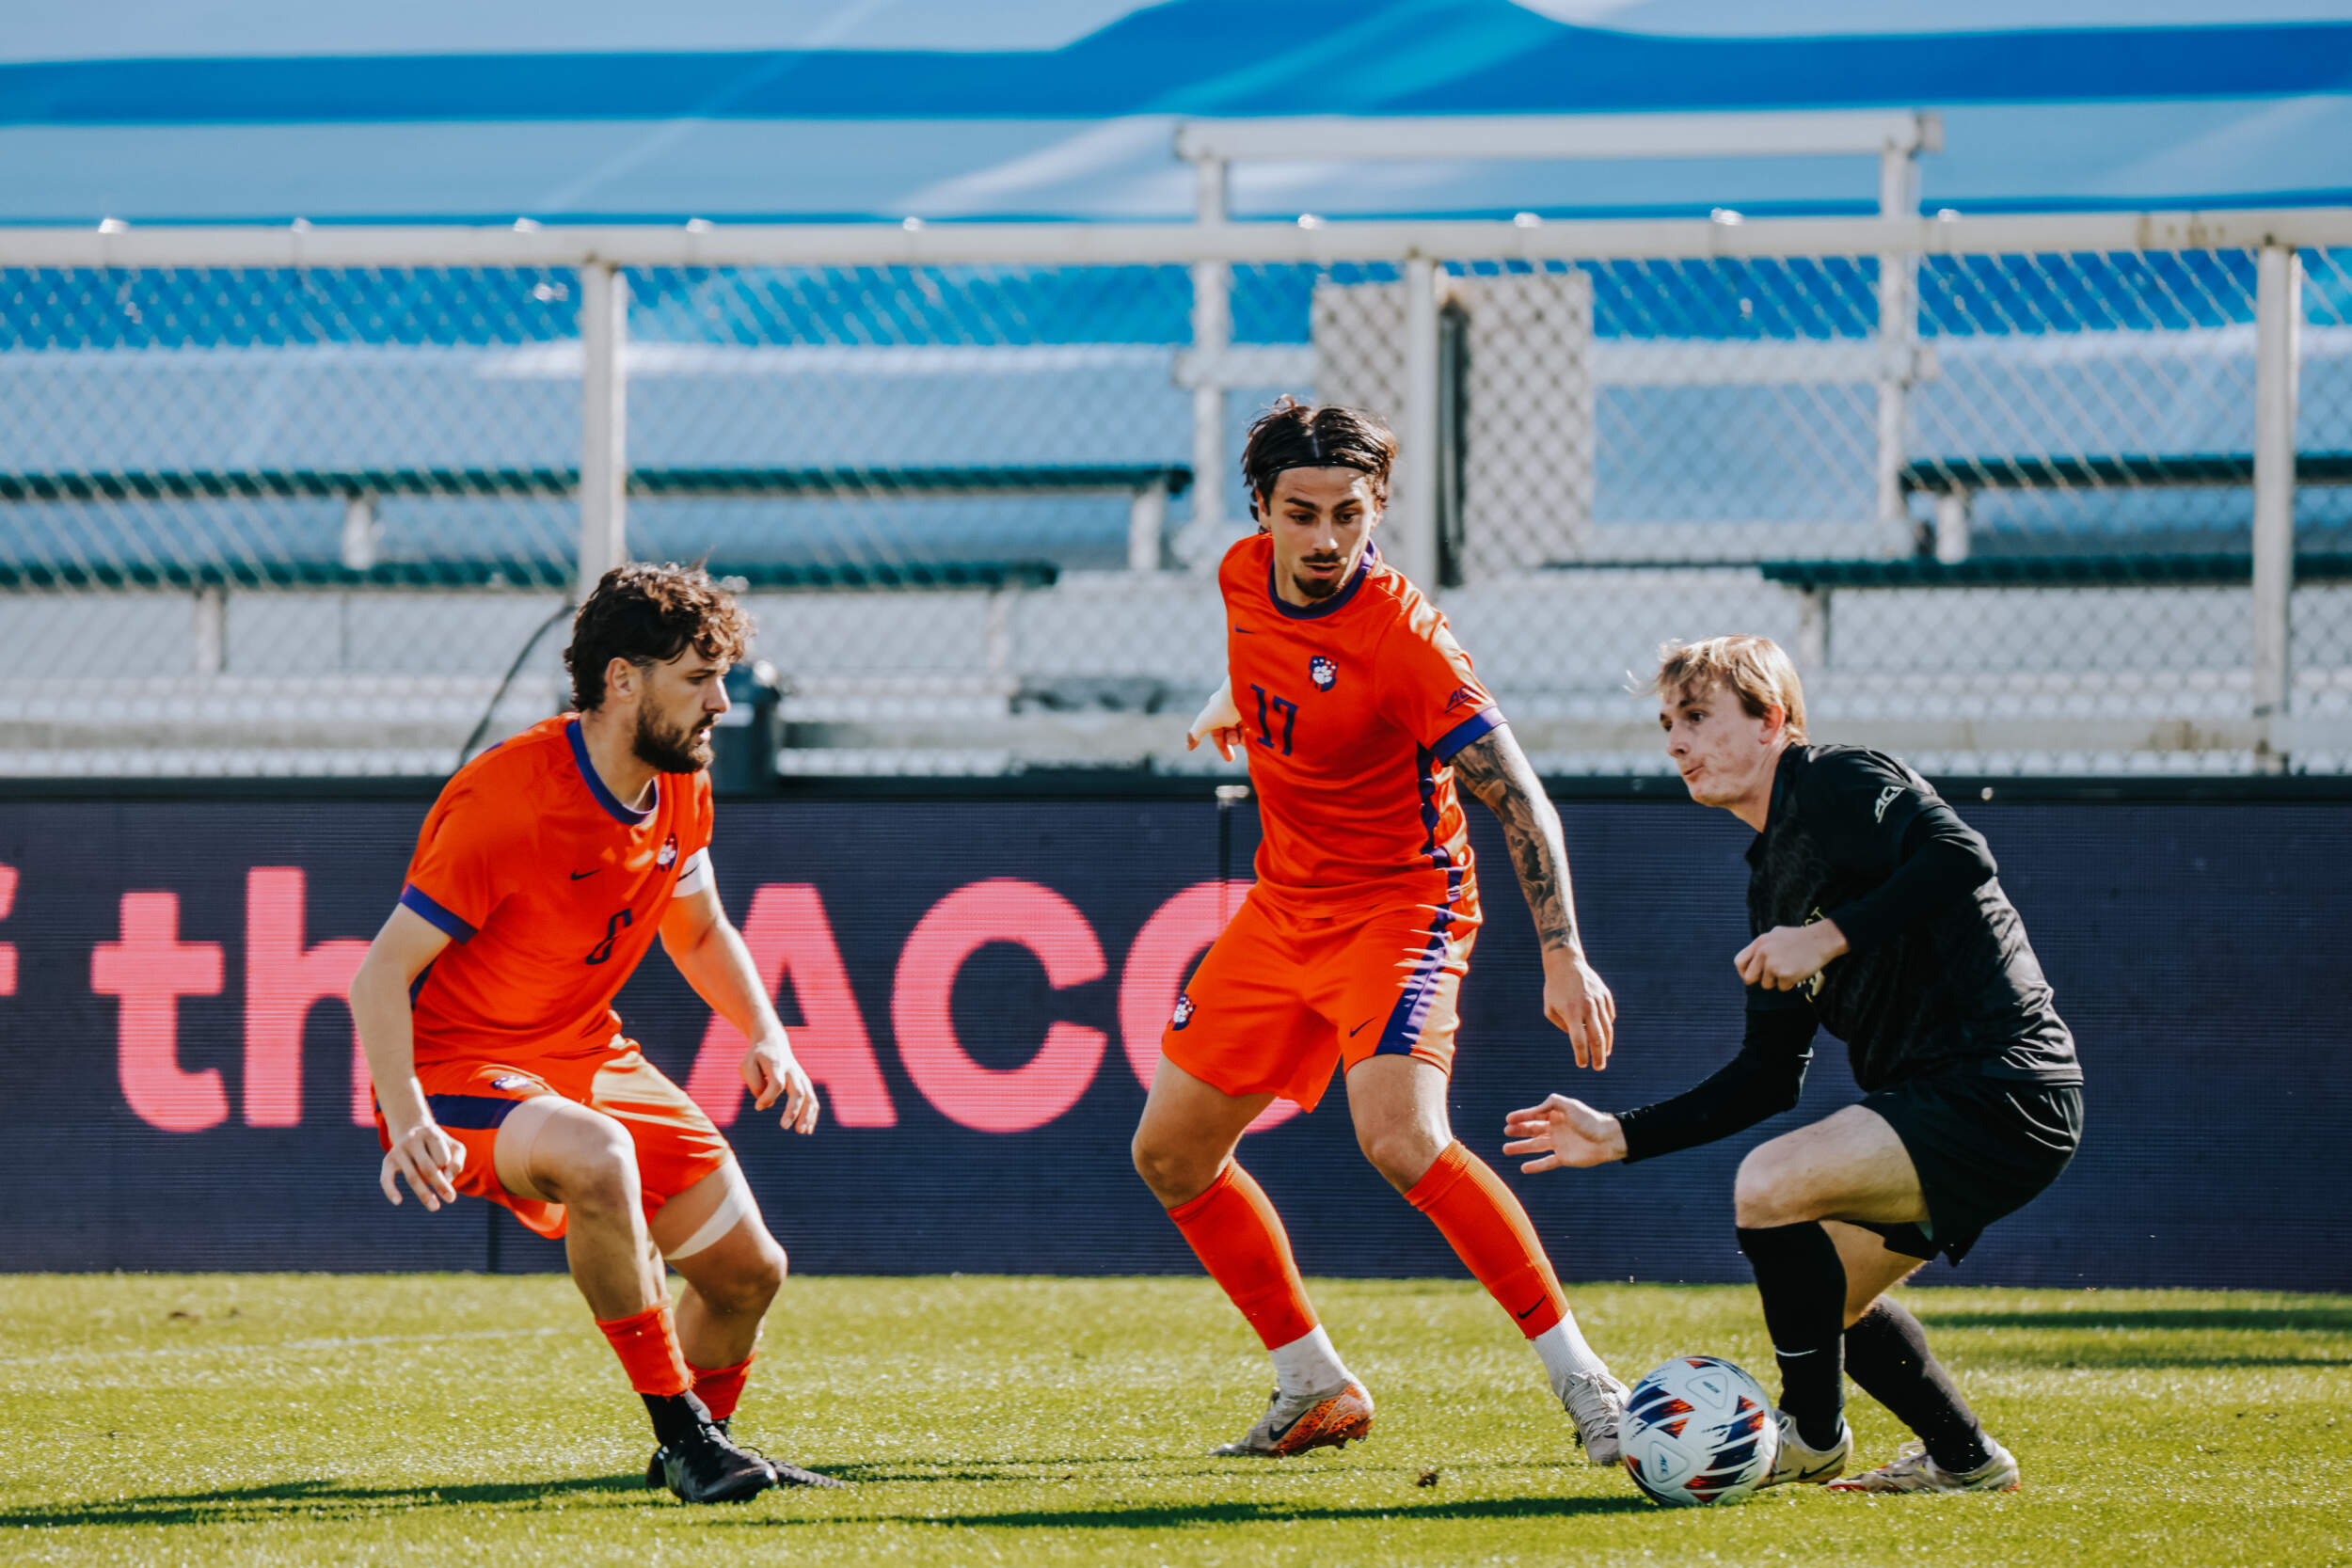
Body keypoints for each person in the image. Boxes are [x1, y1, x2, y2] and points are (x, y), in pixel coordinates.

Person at [1140, 397, 1629, 1463]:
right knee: (1171, 1153)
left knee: (1403, 1139)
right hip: (1284, 905)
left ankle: (1589, 1384)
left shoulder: (1407, 638)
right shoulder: (1240, 574)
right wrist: (1235, 696)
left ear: (1378, 509)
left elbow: (1520, 797)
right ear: (1260, 509)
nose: (1326, 539)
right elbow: (1283, 649)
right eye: (1302, 513)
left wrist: (1562, 951)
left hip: (1402, 906)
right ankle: (1313, 1381)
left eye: (1349, 515)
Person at [1503, 634, 2084, 1495]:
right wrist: (1620, 1135)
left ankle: (1811, 1434)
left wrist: (1829, 935)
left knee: (1769, 1183)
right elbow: (1770, 1074)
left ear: (1772, 720)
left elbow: (1961, 855)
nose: (1677, 742)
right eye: (1668, 725)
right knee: (1827, 1297)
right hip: (1952, 1100)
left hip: (2005, 1084)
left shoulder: (1836, 778)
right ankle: (1965, 1459)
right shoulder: (1770, 882)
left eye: (1697, 717)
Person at [347, 562, 838, 1503]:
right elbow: (379, 974)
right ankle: (685, 1434)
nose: (721, 703)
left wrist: (765, 1030)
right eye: (698, 679)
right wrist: (407, 1114)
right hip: (459, 1067)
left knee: (749, 1273)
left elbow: (698, 928)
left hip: (584, 1053)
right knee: (599, 1152)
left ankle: (701, 1450)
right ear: (622, 679)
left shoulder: (679, 782)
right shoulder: (507, 798)